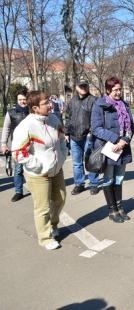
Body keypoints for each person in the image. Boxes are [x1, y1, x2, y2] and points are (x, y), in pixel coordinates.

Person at [11, 91, 68, 250]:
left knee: (60, 199)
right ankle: (45, 238)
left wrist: (63, 155)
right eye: (46, 103)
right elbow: (17, 152)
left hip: (57, 169)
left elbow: (62, 139)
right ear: (35, 108)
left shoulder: (54, 119)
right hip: (38, 174)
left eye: (49, 101)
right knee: (42, 207)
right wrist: (38, 165)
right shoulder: (26, 126)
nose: (50, 105)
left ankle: (53, 225)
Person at [91, 76, 134, 223]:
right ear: (108, 90)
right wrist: (116, 139)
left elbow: (131, 127)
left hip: (123, 147)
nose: (118, 92)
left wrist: (125, 141)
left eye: (120, 89)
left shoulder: (124, 105)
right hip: (108, 148)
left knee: (119, 178)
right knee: (108, 178)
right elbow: (96, 128)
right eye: (115, 90)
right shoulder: (100, 105)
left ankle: (120, 207)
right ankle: (112, 210)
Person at [64, 79, 100, 195]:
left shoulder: (93, 100)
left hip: (88, 136)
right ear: (76, 87)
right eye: (81, 86)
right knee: (77, 163)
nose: (83, 88)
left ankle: (94, 184)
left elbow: (97, 119)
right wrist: (66, 132)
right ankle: (79, 184)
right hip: (74, 137)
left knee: (91, 161)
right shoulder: (72, 101)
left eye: (85, 86)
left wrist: (92, 131)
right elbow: (68, 117)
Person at [1, 92, 29, 202]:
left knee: (34, 169)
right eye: (20, 99)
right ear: (17, 100)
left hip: (32, 146)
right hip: (18, 147)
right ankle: (18, 191)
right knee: (18, 170)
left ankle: (36, 189)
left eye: (24, 99)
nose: (22, 101)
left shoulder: (32, 111)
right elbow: (6, 129)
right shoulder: (11, 113)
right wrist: (3, 144)